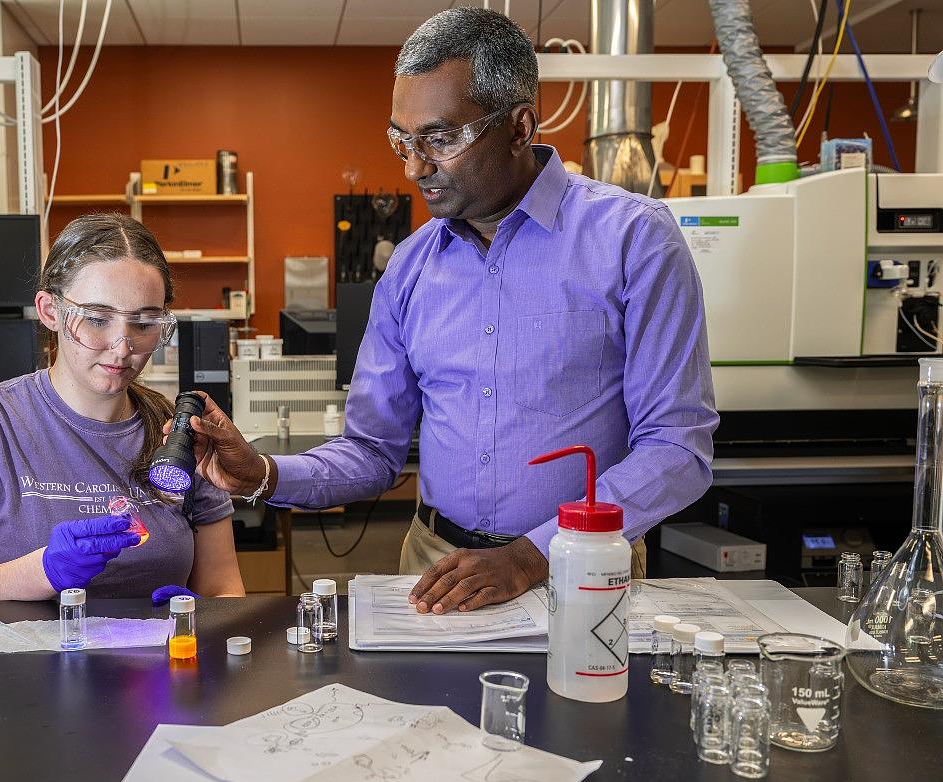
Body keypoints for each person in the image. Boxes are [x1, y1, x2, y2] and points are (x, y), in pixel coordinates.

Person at [179, 8, 717, 615]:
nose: (414, 168)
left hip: (583, 568)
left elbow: (678, 450)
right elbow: (371, 450)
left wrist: (533, 555)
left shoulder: (633, 240)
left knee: (588, 711)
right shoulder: (409, 268)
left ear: (519, 127)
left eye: (439, 139)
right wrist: (264, 476)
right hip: (436, 570)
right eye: (401, 141)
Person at [0, 214, 244, 601]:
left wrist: (199, 618)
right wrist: (41, 572)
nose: (122, 347)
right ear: (50, 311)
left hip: (154, 658)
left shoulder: (178, 432)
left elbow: (223, 587)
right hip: (20, 659)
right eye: (96, 319)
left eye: (143, 323)